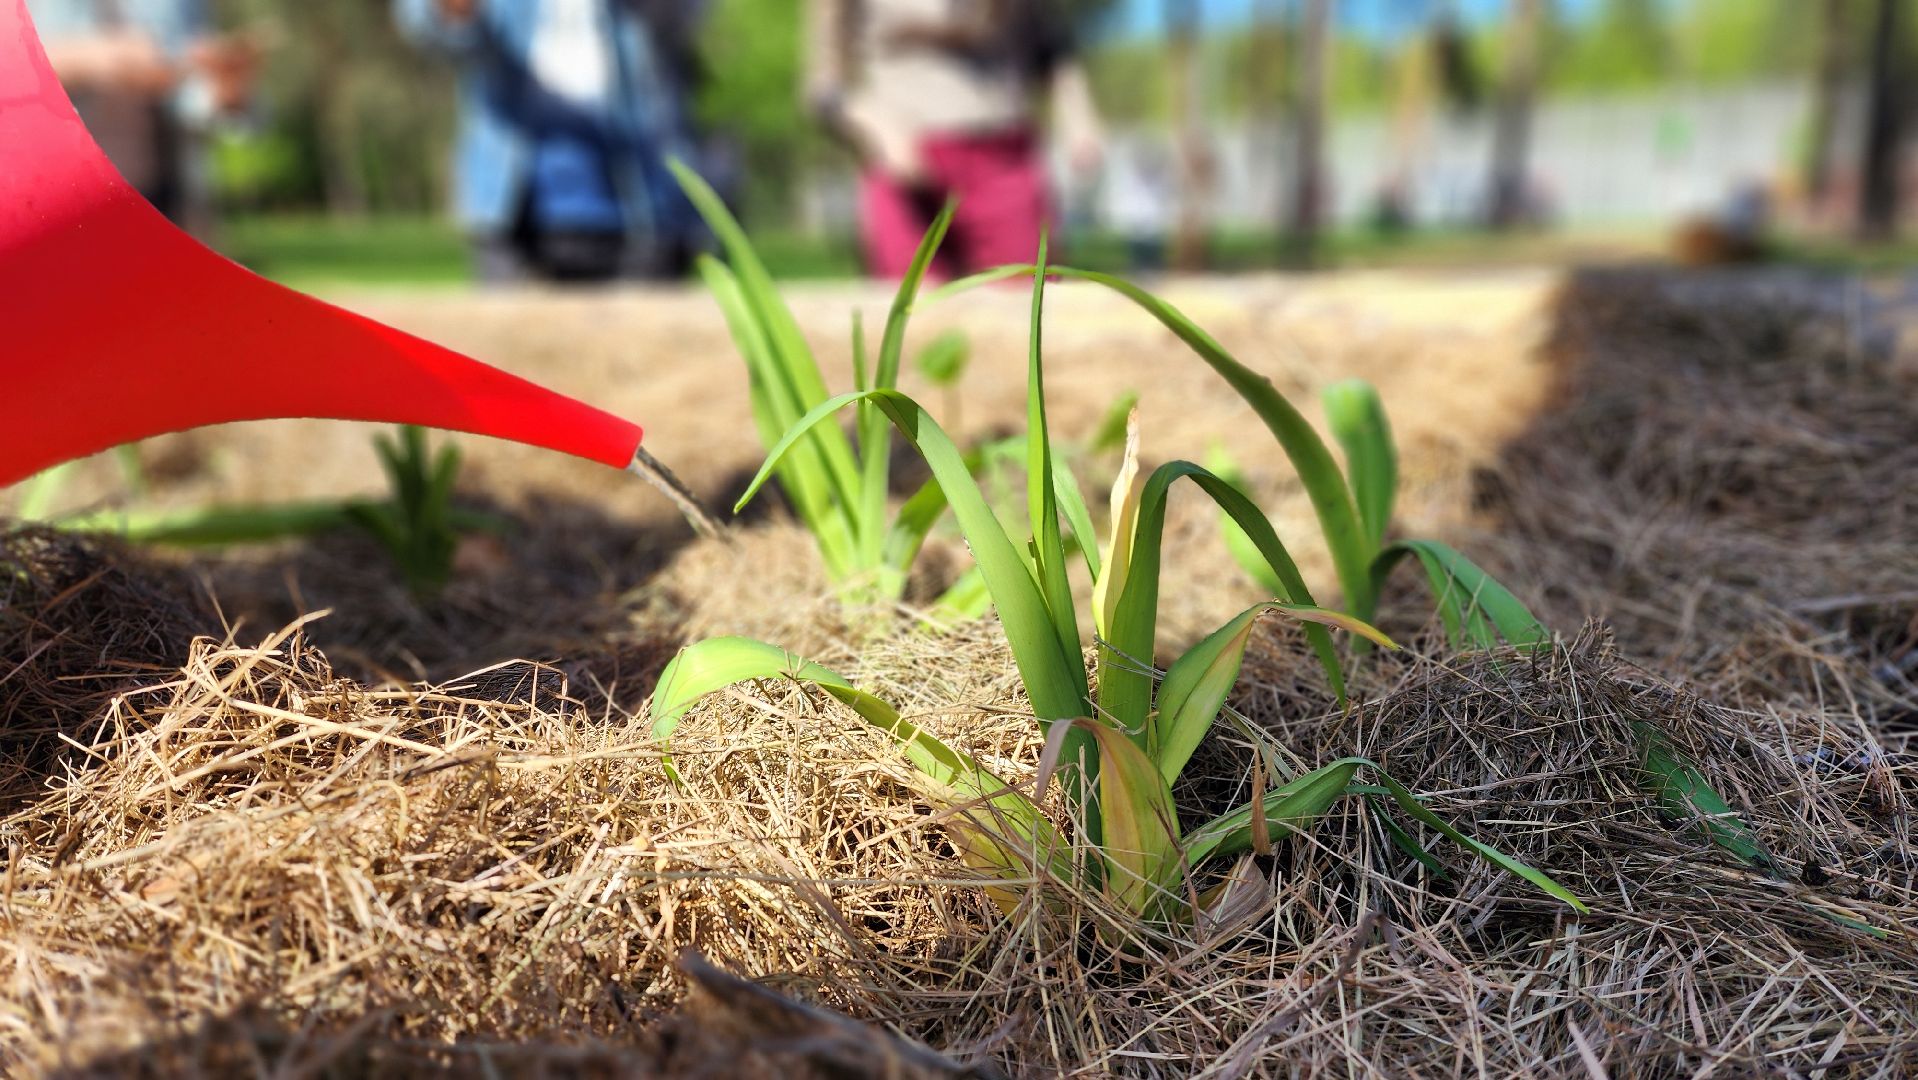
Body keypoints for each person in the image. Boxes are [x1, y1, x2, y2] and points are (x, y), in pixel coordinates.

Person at [394, 0, 704, 284]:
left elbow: (690, 22)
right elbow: (431, 26)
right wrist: (453, 13)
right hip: (513, 205)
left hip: (642, 199)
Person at [805, 0, 1103, 279]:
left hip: (1001, 158)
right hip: (903, 172)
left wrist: (1078, 118)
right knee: (912, 319)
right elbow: (823, 90)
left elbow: (1052, 44)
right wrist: (873, 124)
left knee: (1027, 308)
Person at [28, 0, 260, 229]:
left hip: (165, 194)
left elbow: (189, 94)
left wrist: (224, 91)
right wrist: (93, 58)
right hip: (55, 198)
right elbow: (14, 68)